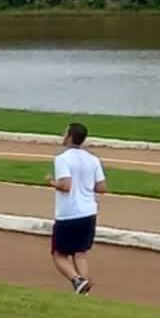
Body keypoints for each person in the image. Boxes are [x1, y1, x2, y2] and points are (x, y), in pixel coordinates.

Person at [51, 119, 105, 293]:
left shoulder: (62, 159)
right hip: (89, 212)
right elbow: (101, 187)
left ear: (70, 136)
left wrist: (52, 182)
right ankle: (84, 290)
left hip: (69, 213)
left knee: (59, 254)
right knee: (80, 253)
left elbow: (66, 186)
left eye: (65, 132)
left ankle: (76, 280)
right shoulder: (93, 159)